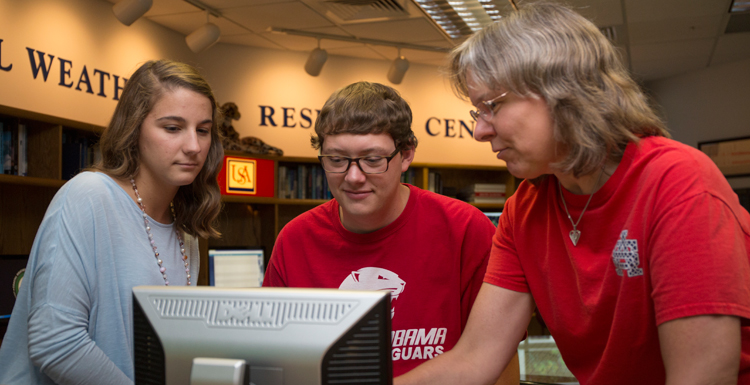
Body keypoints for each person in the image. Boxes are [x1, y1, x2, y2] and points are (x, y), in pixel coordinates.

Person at [396, 3, 750, 385]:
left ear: (560, 93)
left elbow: (702, 377)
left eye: (492, 106)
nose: (480, 131)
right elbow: (474, 359)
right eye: (476, 112)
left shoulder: (677, 184)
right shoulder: (524, 210)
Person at [262, 81, 519, 383]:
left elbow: (500, 363)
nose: (353, 177)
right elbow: (272, 362)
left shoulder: (465, 229)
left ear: (406, 154)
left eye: (373, 160)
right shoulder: (295, 240)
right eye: (336, 160)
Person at [0, 60, 224, 385]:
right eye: (172, 128)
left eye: (203, 130)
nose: (193, 146)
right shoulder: (88, 196)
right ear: (134, 129)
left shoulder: (185, 228)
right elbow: (56, 344)